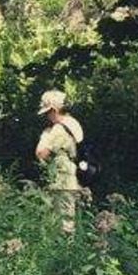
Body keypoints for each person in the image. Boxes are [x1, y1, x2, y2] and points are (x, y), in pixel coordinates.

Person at [35, 89, 84, 229]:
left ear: (54, 110)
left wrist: (44, 136)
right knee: (69, 218)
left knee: (62, 224)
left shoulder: (58, 129)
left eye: (47, 113)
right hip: (72, 177)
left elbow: (41, 154)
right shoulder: (73, 123)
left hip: (61, 181)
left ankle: (67, 250)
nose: (47, 117)